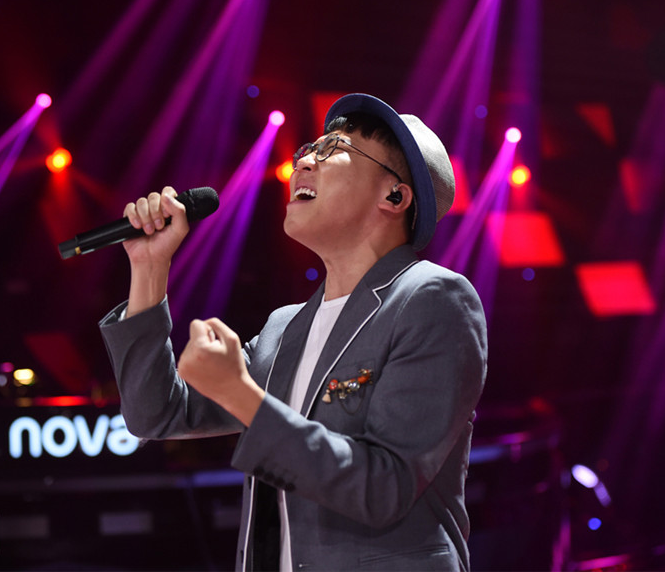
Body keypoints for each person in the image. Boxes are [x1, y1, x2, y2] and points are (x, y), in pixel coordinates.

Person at [99, 93, 487, 571]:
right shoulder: (284, 327)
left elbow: (384, 488)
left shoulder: (433, 298)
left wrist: (241, 395)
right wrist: (150, 267)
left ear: (394, 196)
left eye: (334, 149)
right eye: (310, 148)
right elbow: (155, 414)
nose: (303, 161)